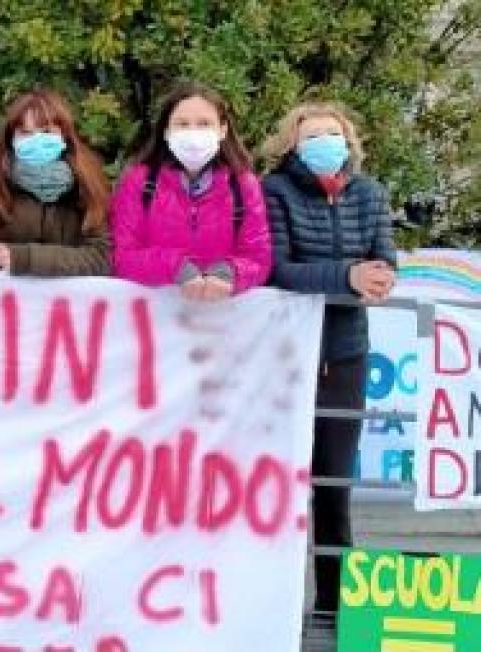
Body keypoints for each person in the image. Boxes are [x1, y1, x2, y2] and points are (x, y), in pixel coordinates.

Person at [261, 102, 396, 624]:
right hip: (285, 355)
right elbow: (279, 268)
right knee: (278, 485)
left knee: (333, 485)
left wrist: (380, 276)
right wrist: (347, 278)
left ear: (349, 141)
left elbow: (385, 256)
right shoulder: (277, 190)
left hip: (344, 353)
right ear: (292, 143)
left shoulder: (370, 193)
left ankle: (332, 610)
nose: (323, 142)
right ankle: (271, 607)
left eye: (332, 134)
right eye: (311, 134)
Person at [111, 82, 271, 299]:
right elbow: (122, 257)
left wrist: (230, 272)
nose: (193, 133)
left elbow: (258, 258)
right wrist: (174, 266)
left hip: (221, 318)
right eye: (182, 124)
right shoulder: (139, 181)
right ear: (166, 131)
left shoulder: (243, 185)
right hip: (157, 317)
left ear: (222, 129)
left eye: (204, 124)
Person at [0, 89, 111, 275]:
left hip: (69, 302)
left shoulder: (89, 180)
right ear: (11, 139)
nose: (37, 139)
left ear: (64, 136)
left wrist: (25, 259)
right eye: (26, 132)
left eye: (47, 131)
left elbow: (101, 256)